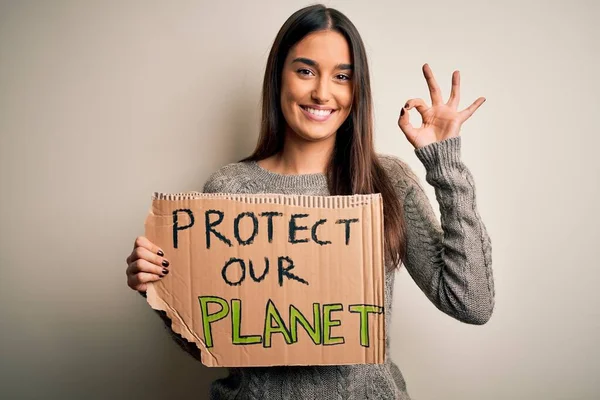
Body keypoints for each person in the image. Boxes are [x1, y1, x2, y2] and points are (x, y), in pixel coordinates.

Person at [125, 4, 494, 399]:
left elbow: (470, 303)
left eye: (342, 76)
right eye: (305, 71)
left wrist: (445, 165)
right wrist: (163, 291)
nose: (322, 91)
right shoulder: (228, 189)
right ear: (278, 78)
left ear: (357, 90)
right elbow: (213, 346)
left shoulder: (386, 181)